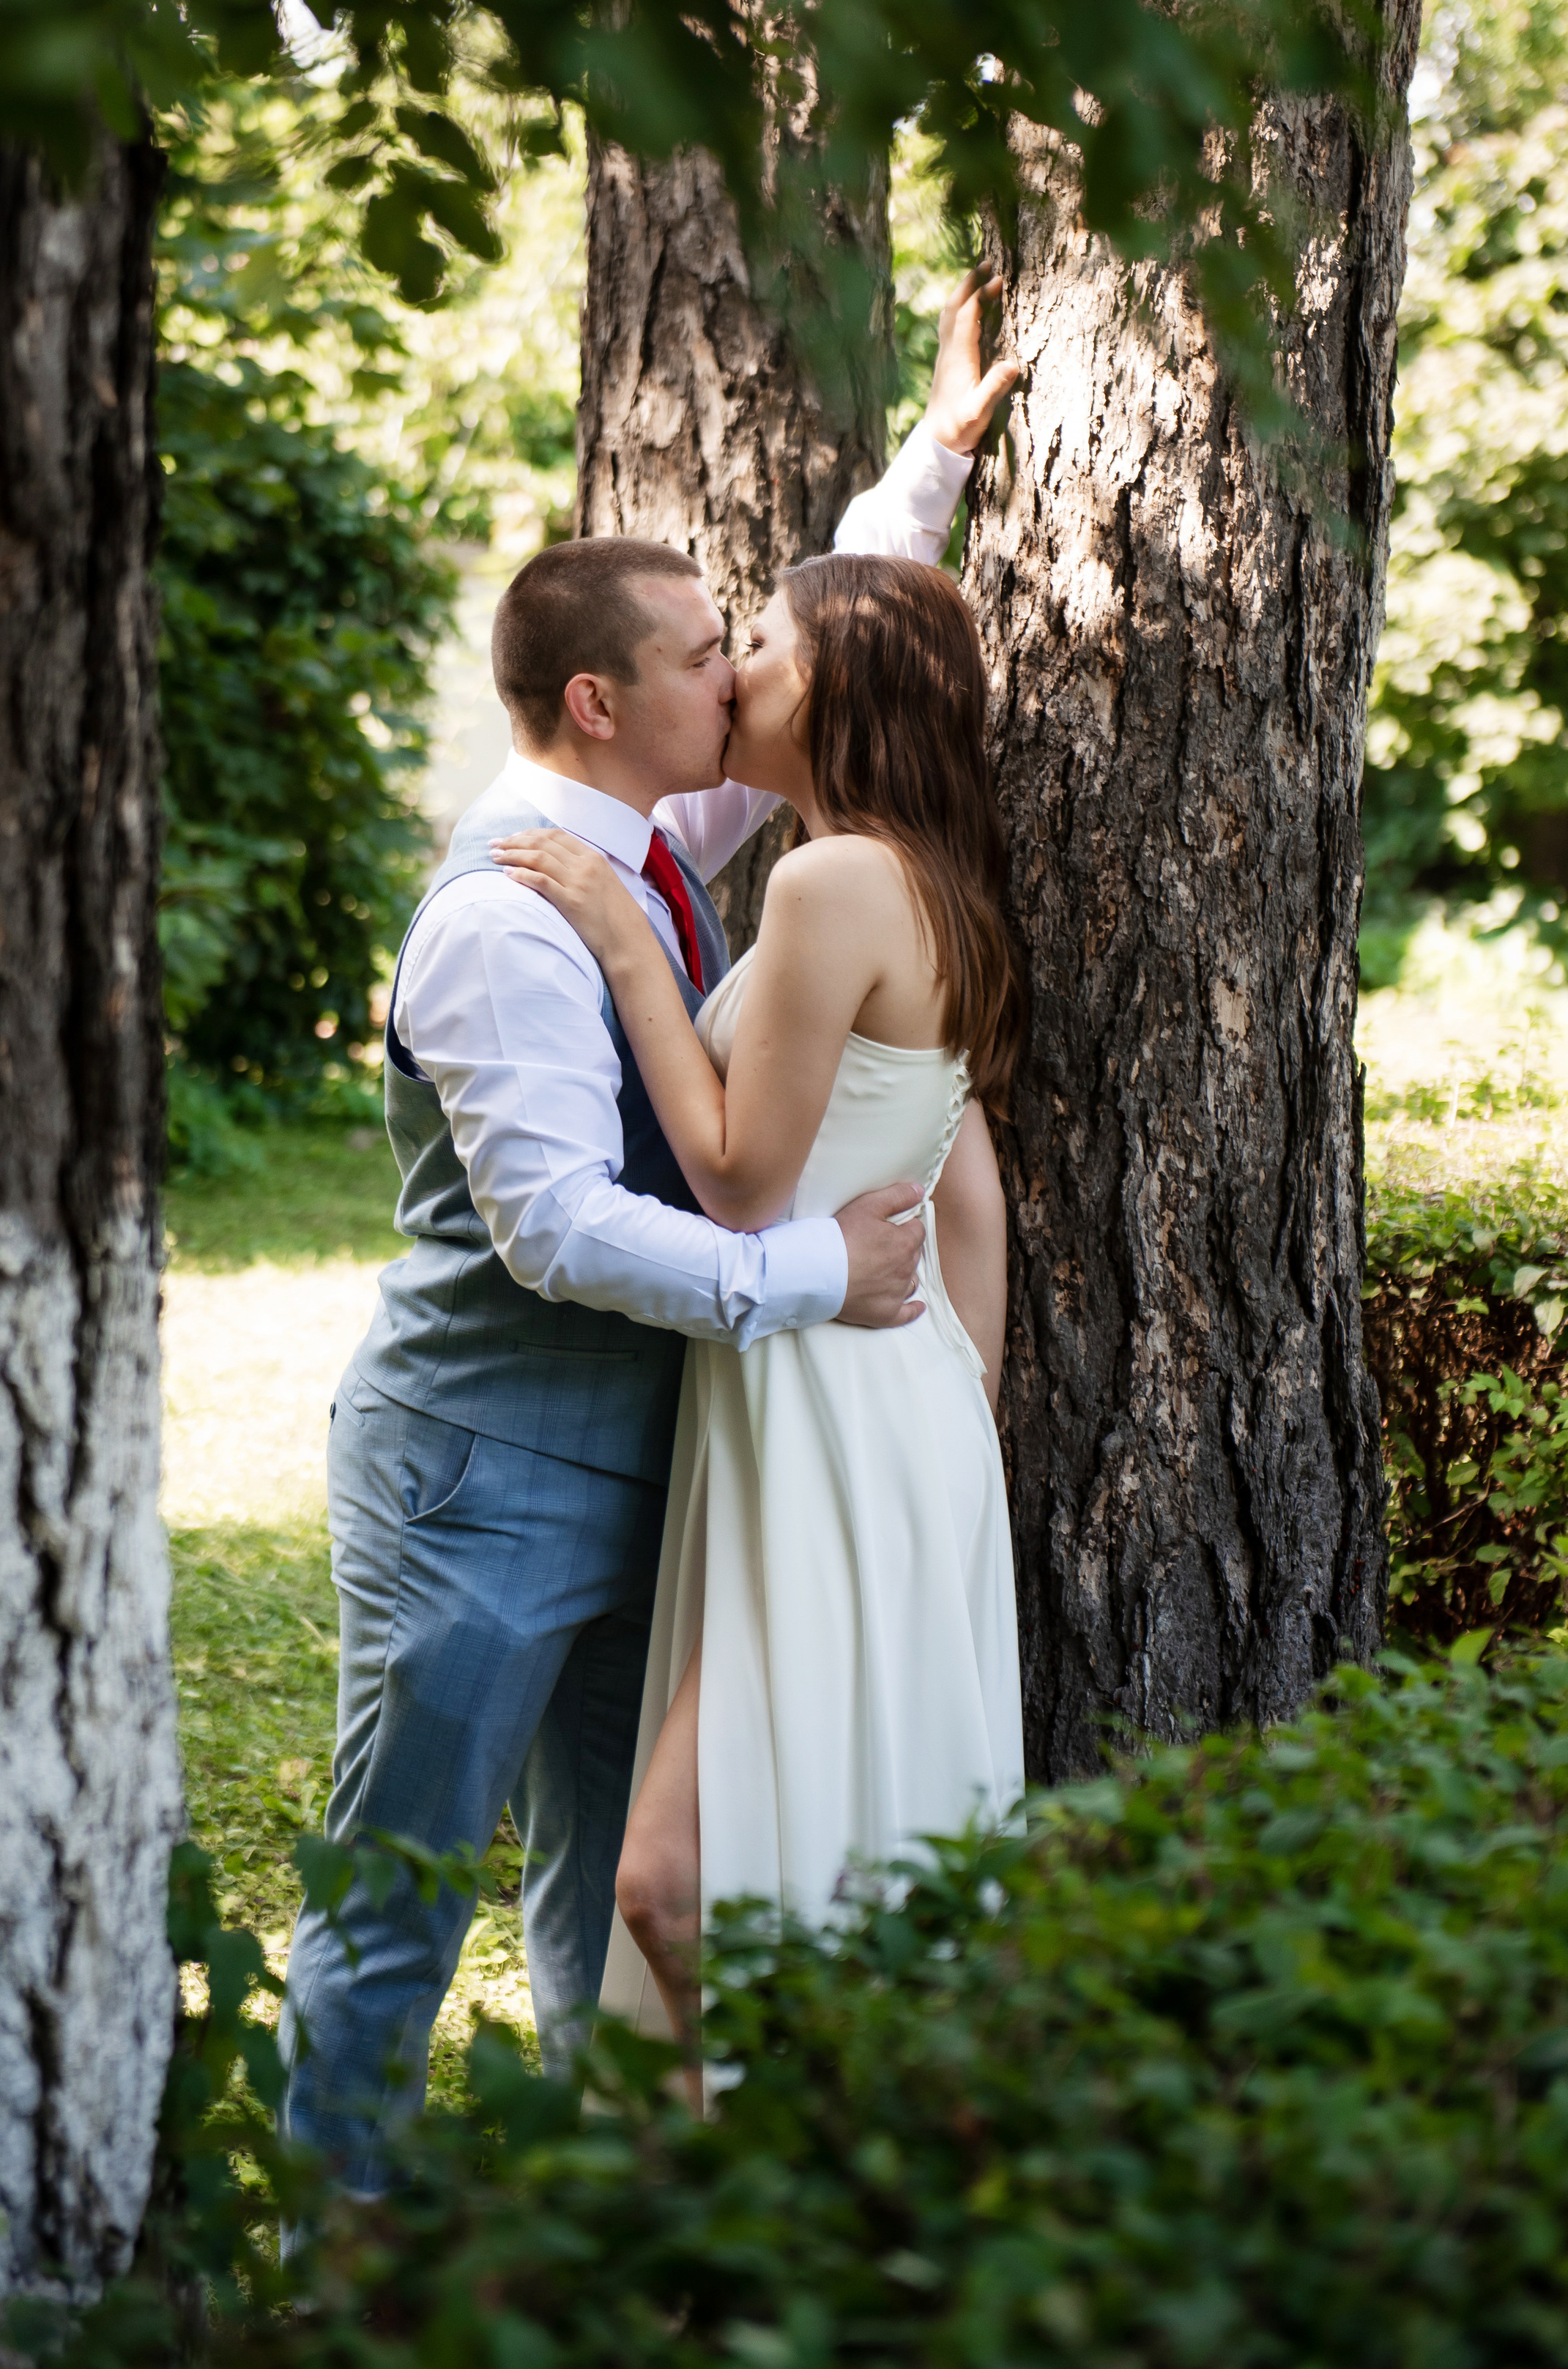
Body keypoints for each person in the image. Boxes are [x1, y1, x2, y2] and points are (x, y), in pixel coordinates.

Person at [277, 269, 1022, 2190]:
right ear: (604, 704)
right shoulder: (511, 916)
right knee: (402, 1898)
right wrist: (807, 1279)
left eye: (748, 644)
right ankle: (333, 2267)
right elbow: (553, 1229)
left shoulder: (661, 841)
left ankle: (607, 2225)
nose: (743, 670)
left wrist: (933, 461)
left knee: (615, 1899)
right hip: (487, 1469)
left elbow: (833, 665)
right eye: (712, 650)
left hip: (679, 1461)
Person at [494, 540, 1028, 2066]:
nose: (732, 673)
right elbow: (968, 1194)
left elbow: (734, 1181)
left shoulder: (831, 880)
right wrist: (946, 1421)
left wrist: (619, 942)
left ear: (839, 690)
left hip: (830, 1404)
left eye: (764, 650)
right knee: (721, 1864)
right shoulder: (921, 881)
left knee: (677, 1880)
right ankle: (729, 2240)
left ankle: (787, 2200)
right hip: (882, 1406)